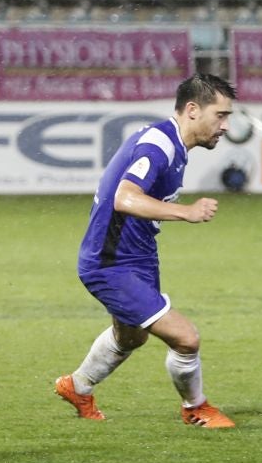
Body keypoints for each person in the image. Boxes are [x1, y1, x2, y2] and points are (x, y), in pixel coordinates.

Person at [55, 73, 238, 429]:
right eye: (220, 115)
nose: (226, 126)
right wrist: (186, 212)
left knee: (131, 336)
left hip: (137, 256)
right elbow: (125, 198)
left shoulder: (175, 145)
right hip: (110, 262)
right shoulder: (160, 145)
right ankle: (195, 407)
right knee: (186, 338)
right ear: (192, 110)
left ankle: (77, 387)